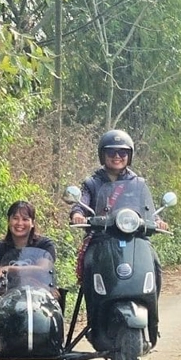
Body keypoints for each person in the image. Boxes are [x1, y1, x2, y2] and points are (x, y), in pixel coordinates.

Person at [69, 129, 167, 348]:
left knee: (155, 265)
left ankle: (152, 318)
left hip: (135, 240)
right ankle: (96, 320)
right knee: (88, 268)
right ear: (102, 155)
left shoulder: (138, 183)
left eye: (122, 153)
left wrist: (157, 220)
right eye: (111, 152)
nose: (117, 156)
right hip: (101, 239)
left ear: (129, 156)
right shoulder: (92, 182)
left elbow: (148, 208)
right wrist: (78, 214)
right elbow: (81, 202)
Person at [0, 201, 57, 340]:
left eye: (25, 219)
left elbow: (43, 270)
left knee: (56, 294)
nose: (19, 223)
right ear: (8, 221)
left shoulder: (45, 244)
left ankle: (53, 336)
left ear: (33, 223)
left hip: (40, 291)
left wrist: (8, 268)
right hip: (8, 293)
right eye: (15, 218)